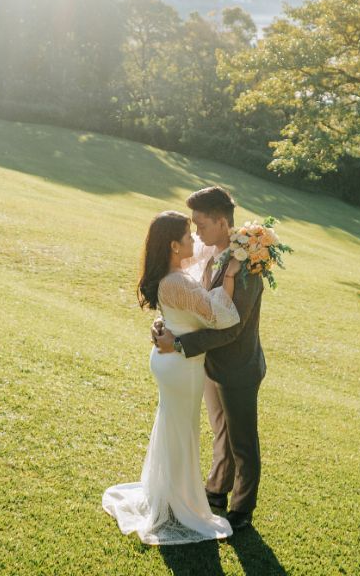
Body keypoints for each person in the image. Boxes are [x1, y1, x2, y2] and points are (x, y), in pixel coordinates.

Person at [101, 210, 243, 544]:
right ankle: (179, 503)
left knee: (173, 427)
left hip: (171, 361)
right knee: (182, 431)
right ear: (174, 246)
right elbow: (220, 316)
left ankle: (169, 493)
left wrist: (235, 242)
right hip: (181, 366)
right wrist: (231, 277)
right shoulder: (177, 282)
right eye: (188, 235)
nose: (194, 238)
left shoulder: (175, 275)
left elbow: (205, 258)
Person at [152, 186, 266, 531]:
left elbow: (231, 329)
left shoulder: (247, 265)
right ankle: (217, 490)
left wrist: (179, 344)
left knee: (242, 441)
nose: (197, 233)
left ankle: (242, 508)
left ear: (221, 223)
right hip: (208, 364)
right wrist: (167, 323)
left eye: (201, 226)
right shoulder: (211, 253)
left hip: (238, 366)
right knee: (220, 431)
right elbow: (192, 300)